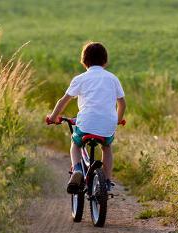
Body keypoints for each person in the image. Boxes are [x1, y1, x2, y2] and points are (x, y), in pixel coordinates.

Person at [46, 41, 126, 192]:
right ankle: (107, 181)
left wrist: (53, 117)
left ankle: (77, 170)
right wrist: (117, 120)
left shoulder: (80, 78)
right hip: (107, 125)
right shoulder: (112, 78)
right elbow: (122, 103)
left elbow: (63, 101)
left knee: (75, 143)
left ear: (84, 60)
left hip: (86, 124)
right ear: (105, 60)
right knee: (107, 147)